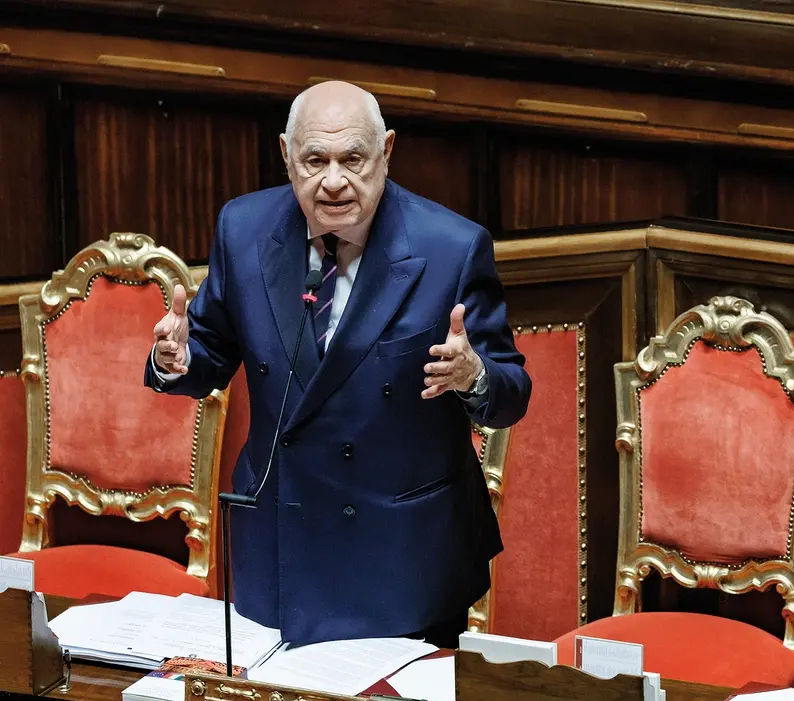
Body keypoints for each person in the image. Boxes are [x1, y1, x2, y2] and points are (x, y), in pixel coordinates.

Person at [145, 81, 531, 648]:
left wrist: (473, 376)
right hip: (280, 537)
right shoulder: (244, 229)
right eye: (314, 160)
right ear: (285, 155)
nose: (332, 181)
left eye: (352, 159)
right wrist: (175, 358)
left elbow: (512, 390)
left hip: (401, 557)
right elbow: (208, 349)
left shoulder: (452, 247)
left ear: (387, 151)